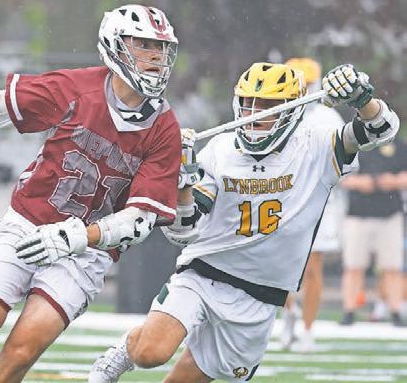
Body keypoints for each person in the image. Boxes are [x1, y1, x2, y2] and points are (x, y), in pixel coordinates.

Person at [0, 4, 182, 383]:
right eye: (144, 45)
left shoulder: (165, 130)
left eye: (161, 48)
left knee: (19, 355)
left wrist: (80, 237)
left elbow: (140, 221)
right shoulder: (76, 88)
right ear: (115, 44)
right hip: (28, 223)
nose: (156, 57)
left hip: (86, 252)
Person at [87, 62, 400, 383]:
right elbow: (183, 232)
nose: (255, 113)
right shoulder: (220, 150)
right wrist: (182, 186)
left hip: (262, 293)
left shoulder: (317, 145)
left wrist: (362, 99)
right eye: (249, 103)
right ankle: (121, 353)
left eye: (267, 105)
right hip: (205, 272)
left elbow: (381, 130)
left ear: (292, 110)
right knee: (149, 353)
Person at [279, 58, 347, 351]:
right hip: (284, 198)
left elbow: (344, 163)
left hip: (319, 200)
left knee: (312, 268)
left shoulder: (328, 117)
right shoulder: (277, 113)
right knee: (281, 265)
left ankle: (307, 330)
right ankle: (288, 315)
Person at [339, 136, 407, 327]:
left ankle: (395, 311)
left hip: (390, 214)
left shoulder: (398, 144)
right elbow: (339, 176)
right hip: (358, 214)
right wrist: (361, 182)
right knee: (353, 266)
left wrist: (392, 181)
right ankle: (349, 311)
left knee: (392, 267)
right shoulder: (354, 143)